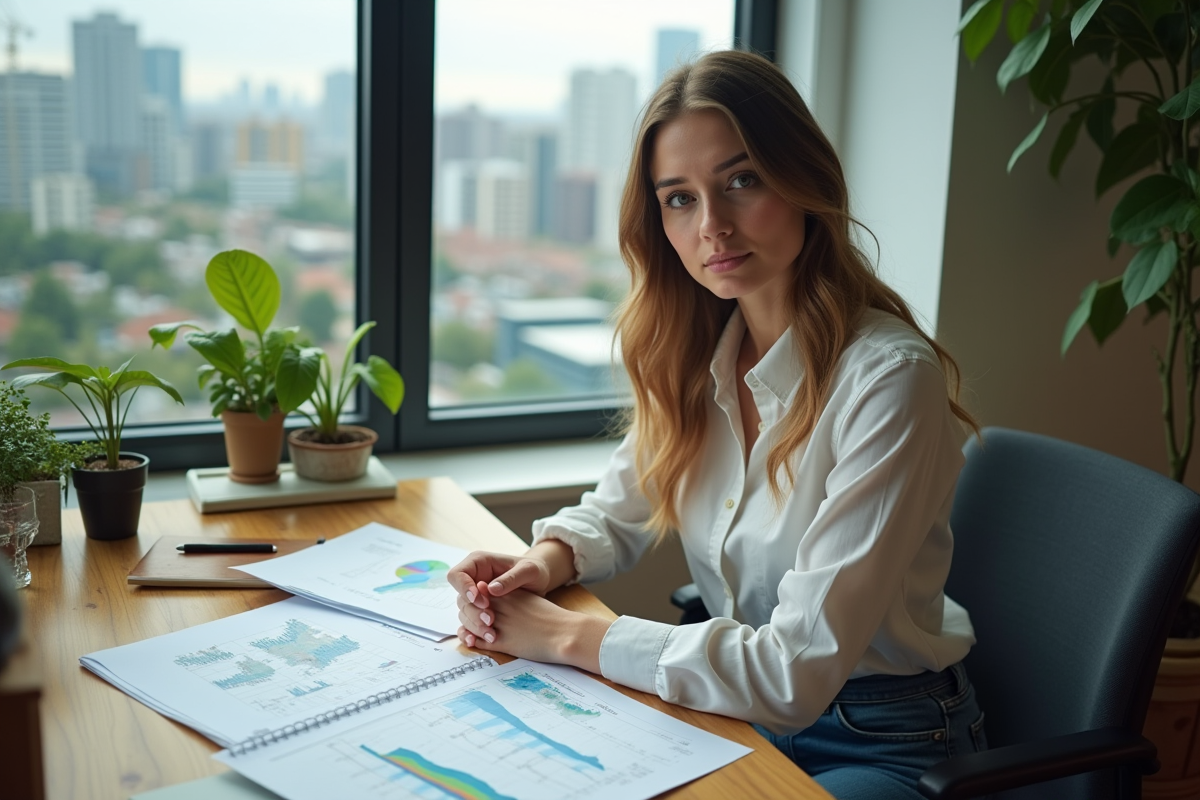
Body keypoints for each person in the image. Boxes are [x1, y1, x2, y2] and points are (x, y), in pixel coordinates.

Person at [448, 49, 986, 800]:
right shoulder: (699, 355)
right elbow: (619, 510)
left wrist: (566, 635)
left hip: (885, 739)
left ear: (804, 182)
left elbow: (794, 673)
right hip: (738, 713)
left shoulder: (889, 380)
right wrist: (541, 562)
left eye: (742, 181)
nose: (713, 226)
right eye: (679, 198)